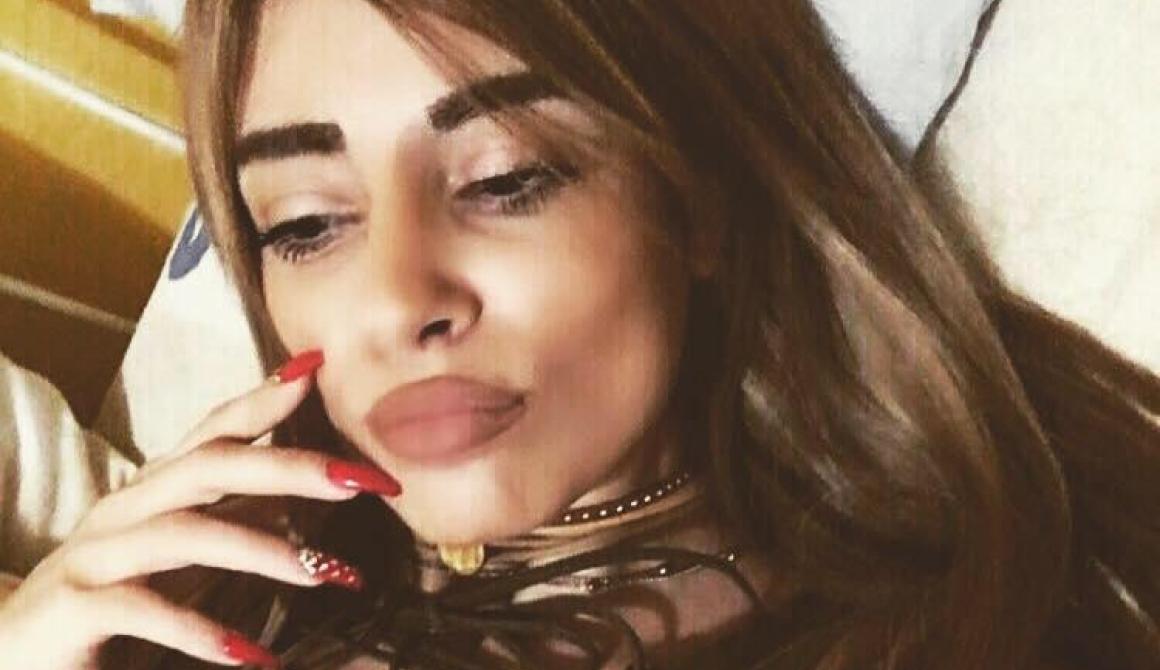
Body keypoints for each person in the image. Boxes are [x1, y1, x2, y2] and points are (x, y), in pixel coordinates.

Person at [2, 0, 1157, 668]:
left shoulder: (977, 616)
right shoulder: (201, 582)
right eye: (305, 224)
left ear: (695, 196)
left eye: (507, 178)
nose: (398, 298)